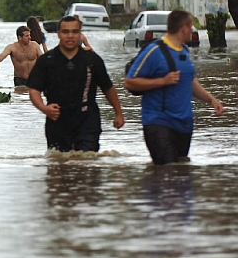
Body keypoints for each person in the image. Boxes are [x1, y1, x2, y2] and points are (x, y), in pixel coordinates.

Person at [124, 9, 224, 165]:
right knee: (168, 171)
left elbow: (189, 81)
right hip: (158, 121)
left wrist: (211, 100)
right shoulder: (154, 50)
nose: (192, 30)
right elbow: (129, 81)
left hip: (184, 124)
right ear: (183, 28)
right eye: (191, 27)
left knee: (181, 171)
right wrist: (162, 81)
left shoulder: (184, 50)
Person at [27, 16, 125, 152]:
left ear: (80, 34)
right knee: (59, 164)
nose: (70, 36)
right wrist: (44, 108)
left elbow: (108, 87)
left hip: (87, 119)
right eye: (66, 32)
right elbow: (34, 90)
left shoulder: (92, 60)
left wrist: (118, 113)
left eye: (74, 32)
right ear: (58, 34)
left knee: (86, 161)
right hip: (57, 119)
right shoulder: (47, 61)